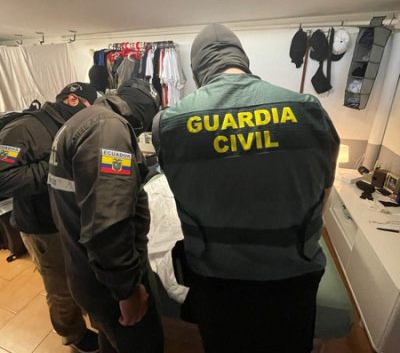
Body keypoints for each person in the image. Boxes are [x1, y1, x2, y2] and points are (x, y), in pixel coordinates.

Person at [152, 23, 340, 353]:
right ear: (243, 60)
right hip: (293, 275)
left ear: (197, 72)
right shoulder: (309, 110)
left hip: (216, 280)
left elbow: (180, 188)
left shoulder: (168, 124)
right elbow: (323, 192)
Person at [48, 79, 163, 353]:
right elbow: (108, 221)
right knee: (142, 344)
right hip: (108, 282)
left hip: (85, 269)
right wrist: (127, 290)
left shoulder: (82, 122)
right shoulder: (108, 128)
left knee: (111, 339)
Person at [0, 82, 99, 353]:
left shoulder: (68, 126)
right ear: (72, 100)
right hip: (43, 227)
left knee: (79, 276)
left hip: (69, 219)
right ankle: (73, 335)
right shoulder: (24, 129)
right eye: (89, 108)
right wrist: (54, 167)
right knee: (61, 288)